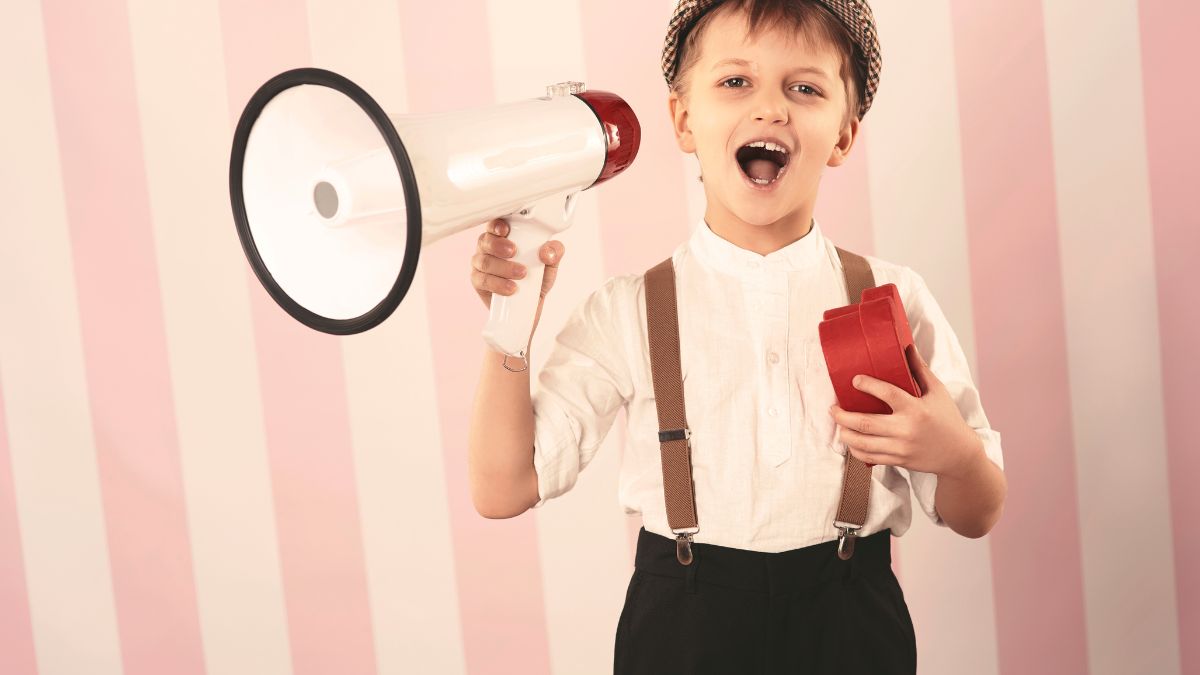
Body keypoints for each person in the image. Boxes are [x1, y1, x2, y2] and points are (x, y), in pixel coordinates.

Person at [467, 0, 1007, 672]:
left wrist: (953, 453)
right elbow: (503, 486)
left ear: (843, 134)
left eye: (804, 88)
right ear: (683, 118)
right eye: (735, 82)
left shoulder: (892, 299)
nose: (770, 109)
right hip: (682, 629)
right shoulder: (628, 311)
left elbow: (976, 510)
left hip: (851, 624)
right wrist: (510, 320)